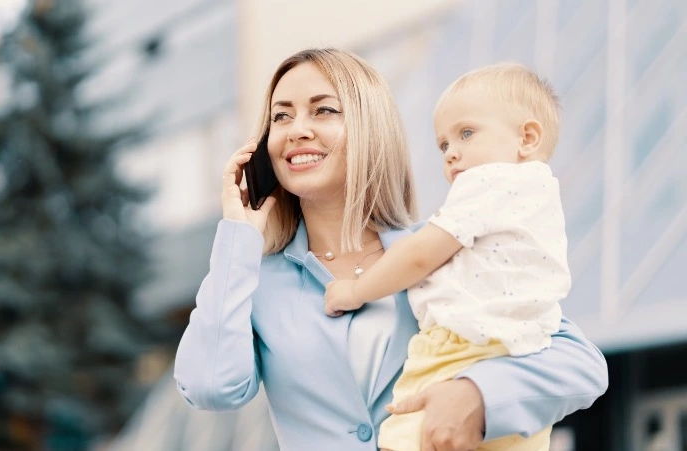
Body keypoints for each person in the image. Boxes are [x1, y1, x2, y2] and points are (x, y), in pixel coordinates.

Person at [174, 48, 607, 451]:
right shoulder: (253, 279)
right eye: (280, 116)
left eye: (324, 110)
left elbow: (581, 365)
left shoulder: (445, 244)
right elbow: (211, 386)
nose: (297, 130)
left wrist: (476, 393)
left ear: (369, 128)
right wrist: (238, 235)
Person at [324, 62, 570, 451]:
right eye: (444, 145)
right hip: (521, 358)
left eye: (466, 134)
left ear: (527, 137)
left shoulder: (488, 182)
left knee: (405, 441)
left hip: (458, 352)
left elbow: (421, 256)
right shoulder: (541, 198)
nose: (452, 154)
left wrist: (355, 291)